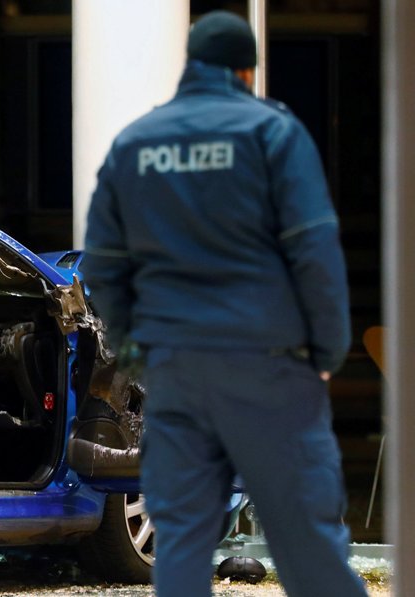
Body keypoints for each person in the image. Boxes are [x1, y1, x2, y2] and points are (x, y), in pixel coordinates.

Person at [79, 10, 368, 597]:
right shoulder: (273, 133)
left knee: (184, 538)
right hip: (268, 365)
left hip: (177, 371)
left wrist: (137, 345)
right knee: (306, 537)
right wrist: (327, 348)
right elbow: (314, 249)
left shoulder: (137, 143)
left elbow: (103, 265)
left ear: (191, 65)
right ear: (245, 71)